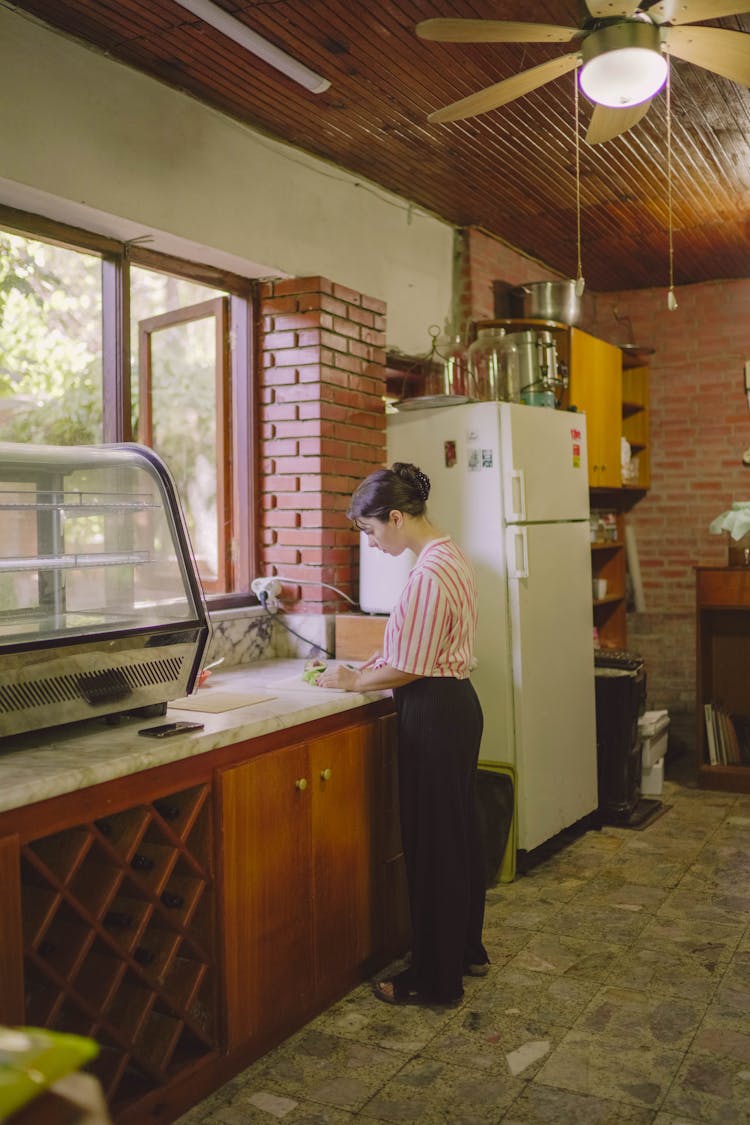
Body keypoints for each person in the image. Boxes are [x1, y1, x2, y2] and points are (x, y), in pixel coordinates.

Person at [317, 461, 488, 1006]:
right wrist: (380, 657)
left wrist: (352, 681)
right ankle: (464, 951)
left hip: (434, 711)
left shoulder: (428, 573)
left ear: (394, 517)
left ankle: (435, 982)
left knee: (432, 847)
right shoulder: (448, 554)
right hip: (454, 706)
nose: (370, 543)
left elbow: (411, 667)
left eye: (370, 531)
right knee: (456, 838)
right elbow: (422, 645)